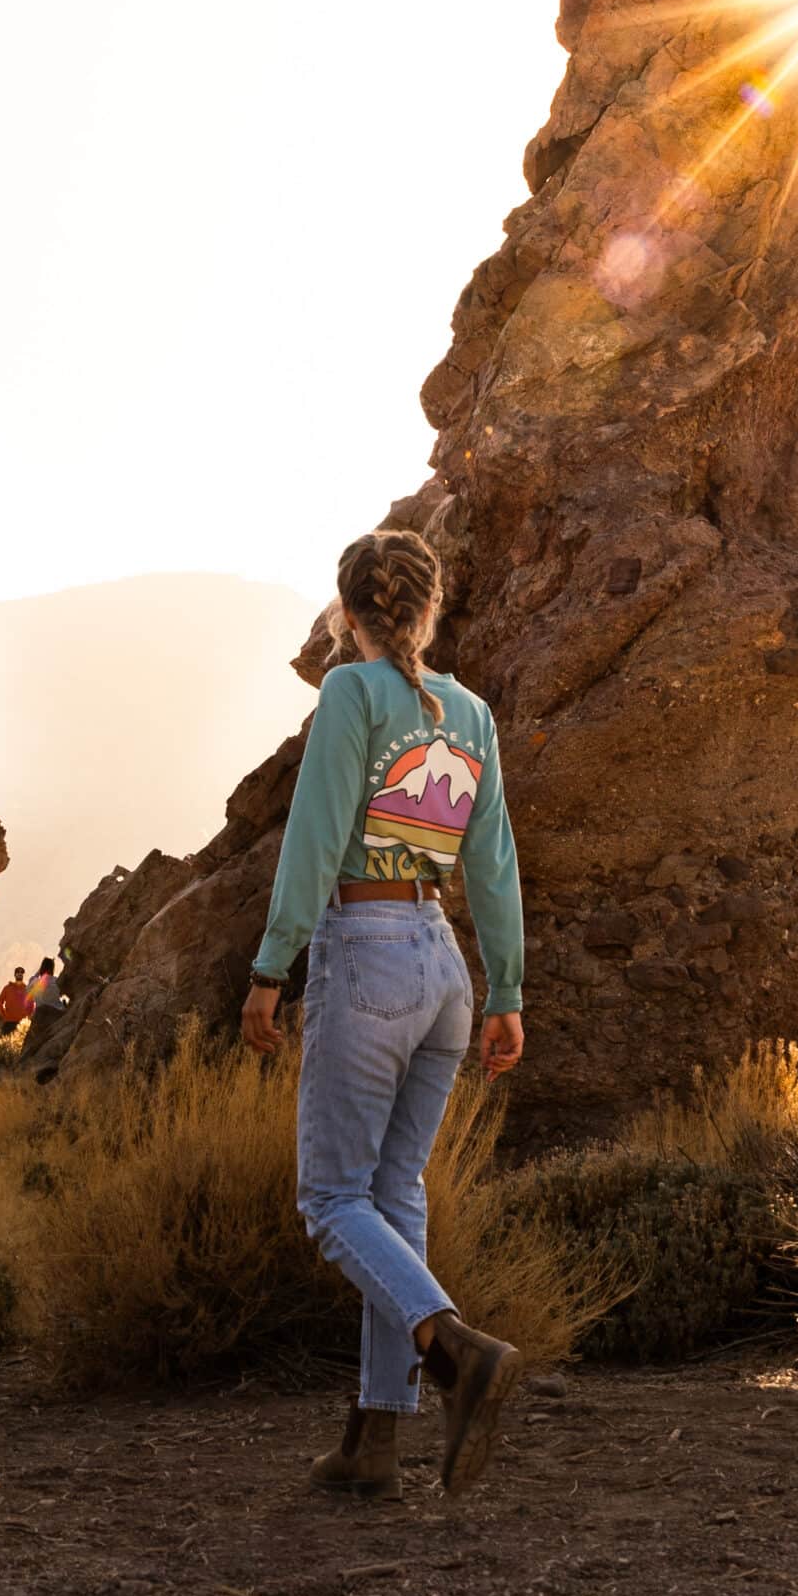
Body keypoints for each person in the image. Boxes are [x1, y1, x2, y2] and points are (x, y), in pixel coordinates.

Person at [241, 526, 527, 1502]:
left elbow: (316, 842)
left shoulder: (351, 694)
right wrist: (508, 993)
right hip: (443, 965)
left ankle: (455, 1357)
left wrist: (270, 969)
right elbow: (491, 865)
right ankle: (372, 1440)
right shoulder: (469, 714)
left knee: (331, 1201)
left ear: (351, 612)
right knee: (394, 1199)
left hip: (363, 954)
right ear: (431, 609)